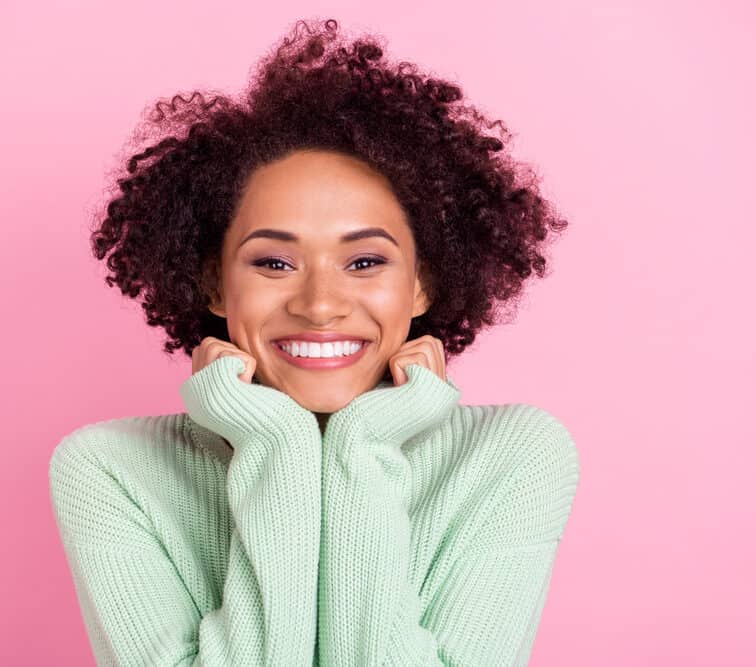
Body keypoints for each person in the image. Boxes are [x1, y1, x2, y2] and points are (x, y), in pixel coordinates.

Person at [49, 17, 581, 667]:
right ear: (215, 284)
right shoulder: (111, 470)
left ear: (423, 285)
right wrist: (277, 442)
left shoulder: (513, 457)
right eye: (274, 263)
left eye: (364, 263)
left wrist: (365, 443)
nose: (320, 304)